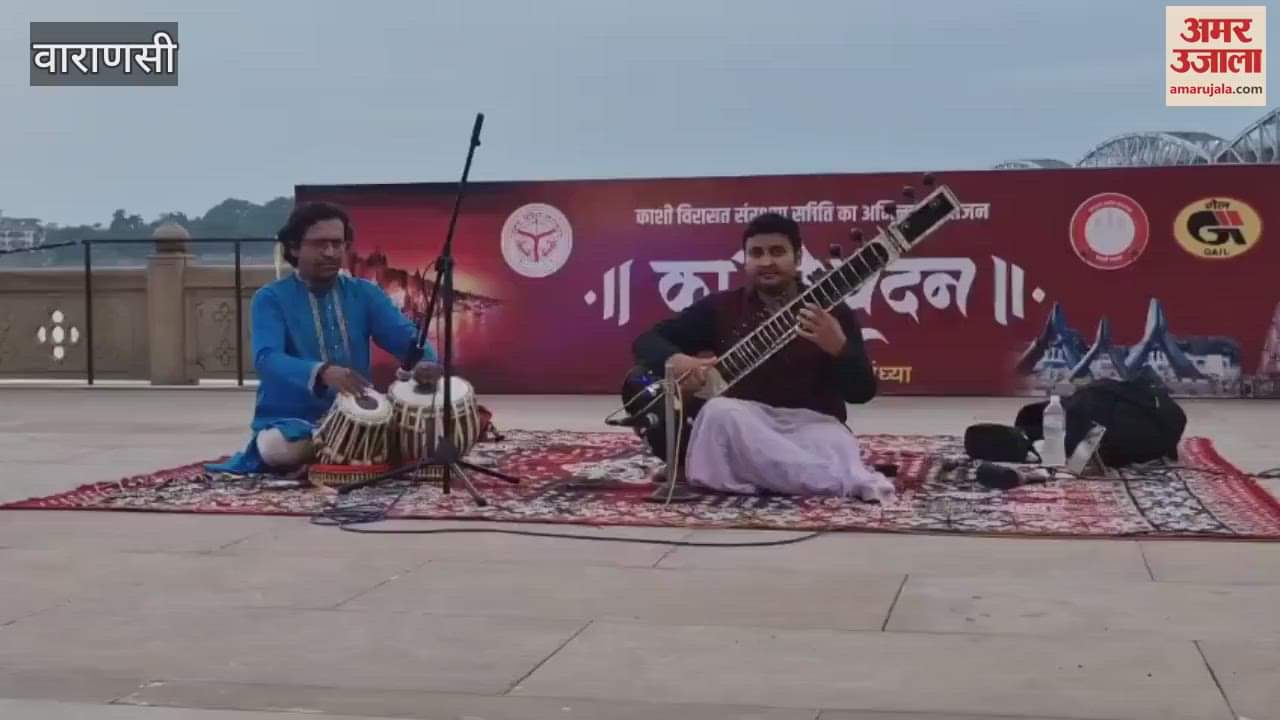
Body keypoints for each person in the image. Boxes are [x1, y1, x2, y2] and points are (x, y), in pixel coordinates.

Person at [630, 212, 895, 502]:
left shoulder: (830, 311)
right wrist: (677, 361)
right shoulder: (723, 308)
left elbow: (862, 392)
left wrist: (839, 348)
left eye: (777, 252)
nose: (767, 261)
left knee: (834, 444)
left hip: (811, 428)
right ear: (745, 261)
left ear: (796, 261)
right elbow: (647, 341)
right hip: (744, 427)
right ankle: (819, 478)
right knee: (713, 410)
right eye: (756, 253)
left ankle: (732, 472)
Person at [208, 202, 441, 475]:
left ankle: (348, 449)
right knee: (276, 448)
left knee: (438, 425)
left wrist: (425, 362)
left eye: (337, 244)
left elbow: (407, 338)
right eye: (320, 244)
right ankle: (356, 450)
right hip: (295, 421)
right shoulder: (271, 298)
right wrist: (321, 372)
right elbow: (267, 358)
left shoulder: (365, 293)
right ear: (294, 247)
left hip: (360, 413)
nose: (331, 252)